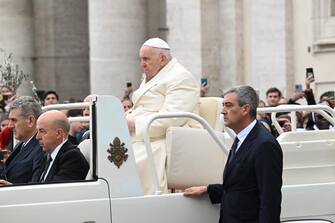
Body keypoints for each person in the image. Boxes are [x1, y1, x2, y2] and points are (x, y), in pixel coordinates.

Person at [184, 85, 283, 223]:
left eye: (228, 106)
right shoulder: (241, 138)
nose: (223, 111)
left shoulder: (264, 144)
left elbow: (270, 199)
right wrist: (208, 189)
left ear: (245, 109)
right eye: (223, 105)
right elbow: (241, 186)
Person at [126, 37, 199, 194]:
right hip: (143, 133)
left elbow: (173, 117)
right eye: (141, 59)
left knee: (129, 162)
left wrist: (135, 124)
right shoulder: (152, 75)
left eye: (146, 59)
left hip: (163, 136)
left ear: (163, 58)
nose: (142, 64)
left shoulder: (181, 77)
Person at [34, 110, 89, 183]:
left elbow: (55, 191)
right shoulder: (46, 156)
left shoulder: (72, 158)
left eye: (42, 131)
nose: (37, 137)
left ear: (58, 134)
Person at [0, 96, 44, 185]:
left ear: (31, 121)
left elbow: (36, 188)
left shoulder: (42, 147)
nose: (9, 126)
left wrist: (12, 188)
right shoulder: (21, 144)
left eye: (14, 120)